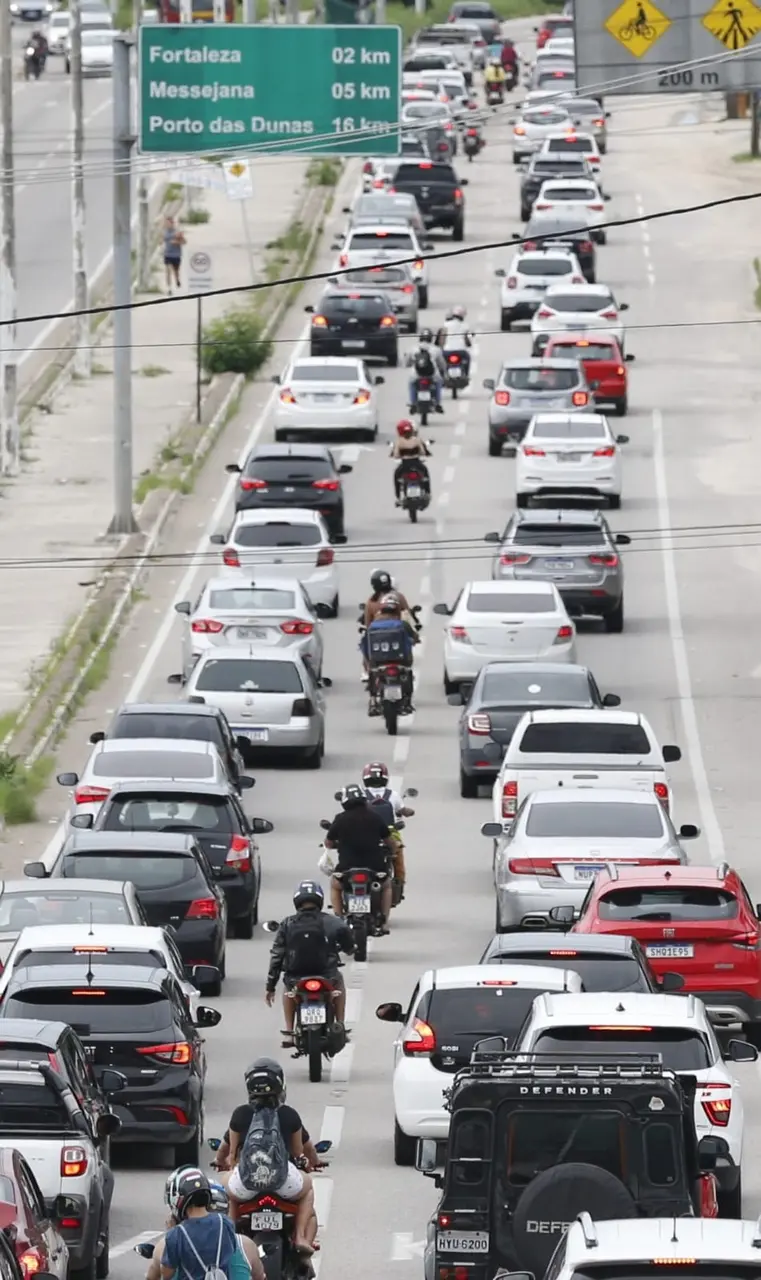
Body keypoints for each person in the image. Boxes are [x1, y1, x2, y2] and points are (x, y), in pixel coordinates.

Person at [222, 1060, 317, 1255]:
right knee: (308, 1189)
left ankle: (228, 1238)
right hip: (283, 1183)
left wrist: (230, 1164)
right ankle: (299, 1235)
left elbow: (232, 1156)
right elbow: (299, 1154)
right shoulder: (289, 1114)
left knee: (227, 1192)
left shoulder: (240, 1114)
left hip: (246, 1186)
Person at [265, 880, 354, 1046]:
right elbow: (349, 944)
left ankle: (289, 1033)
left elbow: (277, 956)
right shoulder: (333, 922)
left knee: (288, 989)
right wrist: (350, 949)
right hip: (327, 975)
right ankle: (340, 1026)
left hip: (296, 977)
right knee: (339, 982)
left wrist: (270, 987)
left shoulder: (287, 924)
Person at [147, 1171, 265, 1280]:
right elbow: (233, 1253)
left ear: (178, 1200)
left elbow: (166, 1274)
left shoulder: (175, 1235)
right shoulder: (225, 1223)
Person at [324, 785, 397, 929]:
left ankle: (339, 921)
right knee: (387, 885)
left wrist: (336, 845)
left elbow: (328, 842)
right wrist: (393, 850)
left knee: (335, 885)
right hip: (375, 867)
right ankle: (384, 921)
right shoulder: (375, 817)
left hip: (347, 867)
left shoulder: (340, 818)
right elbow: (389, 841)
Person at [361, 762, 415, 895]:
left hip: (366, 834)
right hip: (390, 834)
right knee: (398, 855)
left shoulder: (361, 795)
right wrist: (408, 811)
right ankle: (399, 882)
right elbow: (404, 810)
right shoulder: (393, 795)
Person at [389, 419, 432, 503]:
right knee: (425, 474)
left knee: (396, 476)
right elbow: (422, 451)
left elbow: (396, 455)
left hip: (405, 465)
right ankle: (427, 492)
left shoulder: (399, 442)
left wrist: (401, 455)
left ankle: (398, 497)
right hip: (416, 463)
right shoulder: (416, 440)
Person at [406, 328, 446, 412]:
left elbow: (407, 362)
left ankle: (413, 403)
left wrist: (409, 364)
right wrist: (443, 370)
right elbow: (441, 363)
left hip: (416, 374)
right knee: (438, 383)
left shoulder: (413, 348)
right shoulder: (436, 349)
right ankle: (438, 403)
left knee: (412, 384)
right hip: (432, 374)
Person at [163, 216, 186, 295]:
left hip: (176, 255)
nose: (167, 224)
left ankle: (177, 280)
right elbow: (162, 240)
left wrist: (176, 242)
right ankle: (169, 288)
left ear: (172, 223)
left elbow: (184, 242)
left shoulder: (177, 232)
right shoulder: (165, 232)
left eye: (169, 223)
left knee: (176, 271)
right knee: (168, 270)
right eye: (166, 223)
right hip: (167, 254)